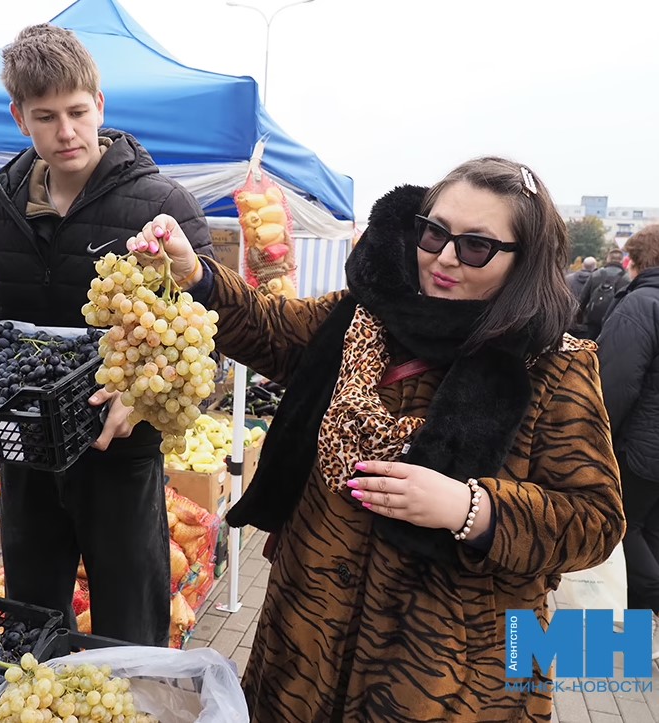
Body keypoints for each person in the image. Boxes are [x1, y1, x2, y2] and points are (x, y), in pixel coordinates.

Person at [127, 157, 624, 721]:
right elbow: (272, 328)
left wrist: (470, 508)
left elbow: (595, 519)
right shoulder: (365, 314)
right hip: (305, 639)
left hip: (444, 675)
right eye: (433, 233)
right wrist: (197, 275)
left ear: (524, 259)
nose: (444, 258)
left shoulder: (554, 366)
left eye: (475, 246)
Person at [0, 24, 213, 646]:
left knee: (131, 625)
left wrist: (143, 393)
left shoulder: (161, 205)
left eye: (77, 112)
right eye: (46, 117)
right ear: (20, 118)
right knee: (31, 618)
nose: (66, 132)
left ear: (99, 104)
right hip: (27, 449)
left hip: (119, 452)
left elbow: (207, 326)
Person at [596, 224, 659, 659]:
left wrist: (595, 438)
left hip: (639, 448)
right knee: (650, 532)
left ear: (634, 260)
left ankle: (649, 612)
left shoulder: (641, 304)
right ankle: (643, 633)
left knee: (623, 529)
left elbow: (613, 386)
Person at [578, 247, 629, 339]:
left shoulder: (595, 275)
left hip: (592, 324)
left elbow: (582, 299)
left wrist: (579, 322)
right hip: (613, 326)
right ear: (622, 260)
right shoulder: (626, 279)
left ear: (608, 259)